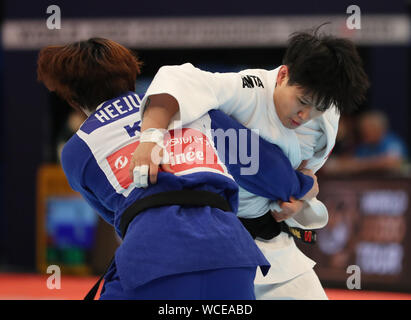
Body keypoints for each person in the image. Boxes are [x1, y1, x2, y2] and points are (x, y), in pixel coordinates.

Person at [36, 37, 290, 299]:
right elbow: (262, 164)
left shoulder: (78, 150)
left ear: (72, 98)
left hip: (153, 261)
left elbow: (119, 216)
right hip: (234, 256)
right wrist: (300, 187)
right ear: (131, 74)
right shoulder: (190, 106)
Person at [130, 26, 369, 299]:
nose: (305, 115)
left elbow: (303, 172)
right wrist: (149, 138)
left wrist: (299, 199)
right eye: (302, 101)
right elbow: (178, 79)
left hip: (270, 242)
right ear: (282, 75)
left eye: (317, 109)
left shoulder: (325, 120)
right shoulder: (247, 89)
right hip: (210, 237)